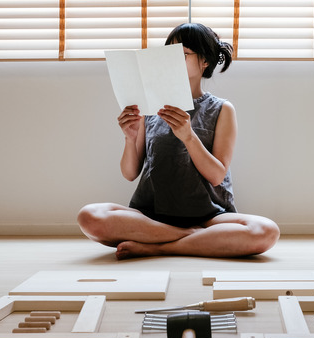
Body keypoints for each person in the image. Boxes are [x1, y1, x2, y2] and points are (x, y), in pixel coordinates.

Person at [77, 23, 280, 260]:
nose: (173, 61)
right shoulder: (149, 107)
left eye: (182, 55)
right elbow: (130, 172)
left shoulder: (222, 109)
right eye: (169, 54)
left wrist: (189, 136)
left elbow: (216, 176)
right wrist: (129, 138)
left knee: (266, 231)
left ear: (204, 61)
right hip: (151, 215)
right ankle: (190, 237)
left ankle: (159, 247)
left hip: (208, 216)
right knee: (89, 216)